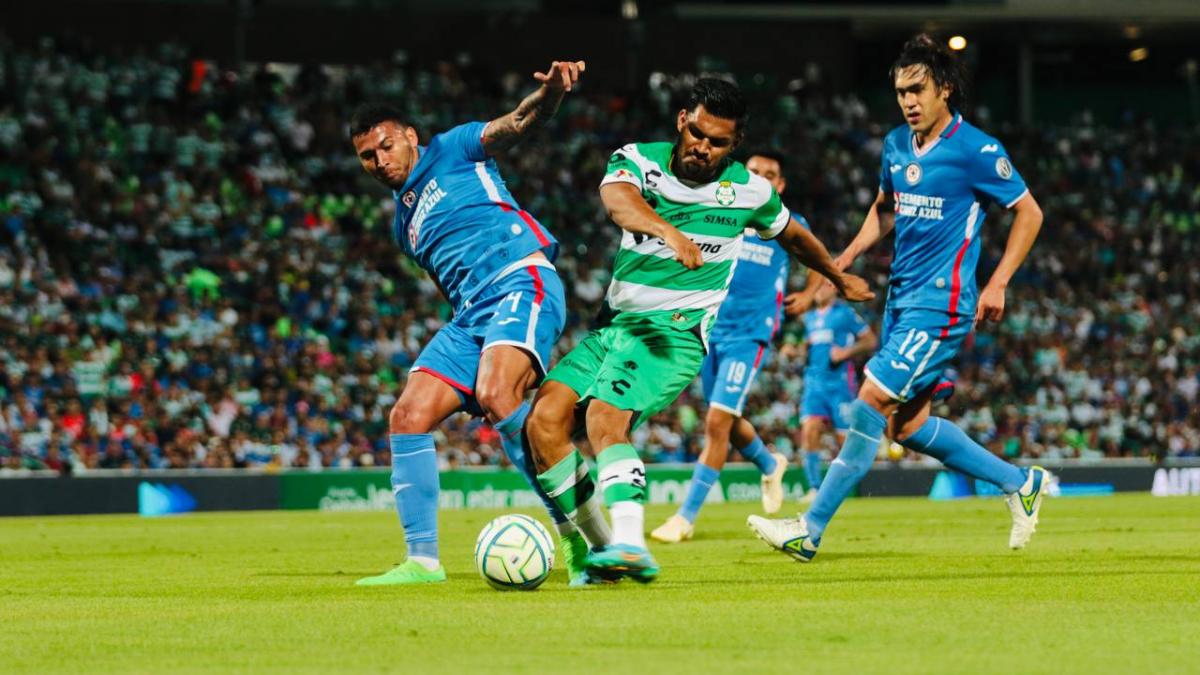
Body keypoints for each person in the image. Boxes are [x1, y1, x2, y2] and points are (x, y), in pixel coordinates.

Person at [525, 78, 873, 582]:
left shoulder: (747, 191)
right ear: (682, 121)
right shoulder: (637, 160)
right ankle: (601, 551)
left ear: (734, 146)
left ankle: (629, 543)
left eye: (718, 143)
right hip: (615, 327)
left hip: (673, 333)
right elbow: (618, 202)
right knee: (544, 422)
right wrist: (668, 230)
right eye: (698, 134)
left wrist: (837, 277)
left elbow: (795, 236)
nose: (703, 149)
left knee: (605, 418)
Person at [748, 35, 1050, 562]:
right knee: (906, 426)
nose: (908, 101)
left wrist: (999, 280)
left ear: (945, 90)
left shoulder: (976, 150)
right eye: (900, 92)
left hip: (943, 302)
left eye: (918, 90)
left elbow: (1030, 212)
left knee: (871, 401)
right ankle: (1020, 481)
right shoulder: (894, 144)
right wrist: (839, 261)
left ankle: (809, 528)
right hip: (901, 300)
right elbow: (885, 210)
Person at [350, 60, 589, 586]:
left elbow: (519, 122)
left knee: (501, 393)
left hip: (520, 280)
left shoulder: (453, 148)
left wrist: (550, 94)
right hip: (470, 315)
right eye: (367, 156)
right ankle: (423, 561)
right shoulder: (402, 223)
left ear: (410, 136)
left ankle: (577, 538)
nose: (378, 160)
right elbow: (447, 286)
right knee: (407, 415)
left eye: (385, 146)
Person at [649, 150, 810, 544]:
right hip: (711, 330)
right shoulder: (725, 217)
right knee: (725, 418)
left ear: (781, 185)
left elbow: (822, 260)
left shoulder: (787, 224)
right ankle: (770, 463)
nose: (761, 177)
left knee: (717, 423)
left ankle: (685, 518)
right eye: (754, 171)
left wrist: (811, 295)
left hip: (749, 335)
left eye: (770, 174)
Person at [794, 278, 877, 503]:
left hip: (839, 385)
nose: (818, 291)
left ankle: (852, 488)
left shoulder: (845, 313)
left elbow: (870, 340)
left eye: (822, 286)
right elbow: (810, 347)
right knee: (810, 430)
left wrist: (846, 352)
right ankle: (813, 488)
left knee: (844, 439)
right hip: (814, 384)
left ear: (832, 288)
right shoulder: (809, 318)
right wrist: (797, 351)